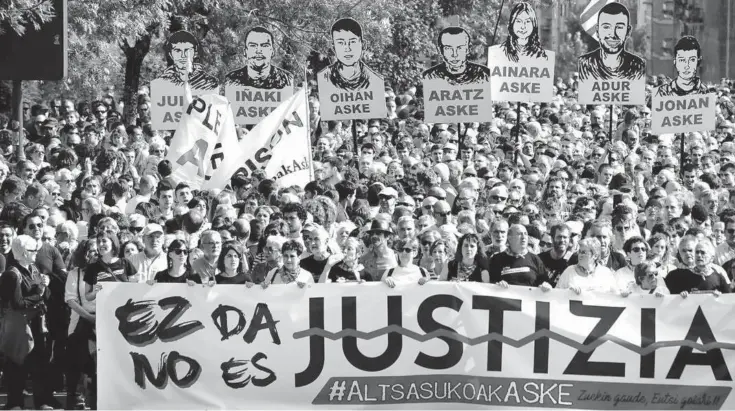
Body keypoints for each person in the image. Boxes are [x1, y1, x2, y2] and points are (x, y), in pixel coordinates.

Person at [0, 235, 55, 410]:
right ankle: (15, 402)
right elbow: (17, 304)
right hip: (20, 326)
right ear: (24, 252)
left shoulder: (33, 269)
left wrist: (45, 286)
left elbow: (46, 297)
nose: (36, 253)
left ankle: (41, 401)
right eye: (33, 250)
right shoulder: (11, 274)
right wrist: (39, 292)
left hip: (36, 324)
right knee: (17, 363)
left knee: (39, 363)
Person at [63, 239, 98, 409]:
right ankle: (74, 397)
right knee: (77, 361)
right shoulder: (75, 274)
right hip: (80, 323)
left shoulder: (104, 272)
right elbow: (70, 300)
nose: (94, 254)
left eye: (97, 251)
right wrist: (89, 317)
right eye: (91, 251)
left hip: (102, 324)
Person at [577, 2, 645, 81]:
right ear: (598, 31)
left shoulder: (637, 65)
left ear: (628, 31)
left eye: (619, 27)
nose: (613, 34)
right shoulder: (586, 65)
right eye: (606, 27)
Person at [318, 18, 383, 91]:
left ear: (363, 45)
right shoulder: (324, 78)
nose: (347, 49)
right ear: (333, 47)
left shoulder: (375, 81)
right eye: (341, 43)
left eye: (352, 42)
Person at [224, 26, 293, 89]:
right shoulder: (231, 80)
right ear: (245, 51)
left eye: (264, 45)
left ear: (272, 51)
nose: (259, 51)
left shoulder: (287, 80)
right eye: (253, 45)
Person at [488, 224, 551, 289]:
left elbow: (545, 282)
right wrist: (498, 284)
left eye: (525, 234)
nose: (524, 237)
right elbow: (490, 284)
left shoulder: (535, 259)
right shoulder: (496, 259)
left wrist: (545, 286)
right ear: (509, 237)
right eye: (519, 234)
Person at [423, 26, 491, 85]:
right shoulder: (430, 77)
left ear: (468, 49)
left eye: (460, 48)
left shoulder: (483, 75)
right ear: (440, 50)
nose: (454, 54)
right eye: (448, 48)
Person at [666, 239, 731, 296]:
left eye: (703, 253)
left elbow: (729, 299)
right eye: (697, 252)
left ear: (712, 258)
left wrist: (720, 296)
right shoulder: (683, 276)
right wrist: (680, 296)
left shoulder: (719, 278)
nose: (699, 255)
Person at [556, 238, 621, 295]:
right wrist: (568, 293)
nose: (580, 255)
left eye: (584, 252)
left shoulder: (605, 273)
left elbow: (616, 296)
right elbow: (556, 294)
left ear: (595, 256)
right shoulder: (569, 271)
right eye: (580, 252)